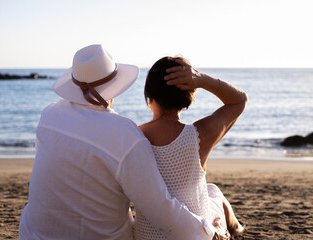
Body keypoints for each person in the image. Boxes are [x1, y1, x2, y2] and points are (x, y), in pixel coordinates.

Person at [18, 45, 227, 240]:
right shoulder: (122, 133)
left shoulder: (49, 115)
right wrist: (207, 232)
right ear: (113, 88)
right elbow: (161, 208)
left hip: (32, 234)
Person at [134, 57, 247, 239]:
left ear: (150, 99)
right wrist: (202, 80)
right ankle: (236, 229)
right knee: (215, 192)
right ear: (189, 96)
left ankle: (234, 228)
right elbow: (239, 100)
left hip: (147, 236)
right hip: (196, 235)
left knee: (211, 190)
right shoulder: (199, 135)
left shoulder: (133, 136)